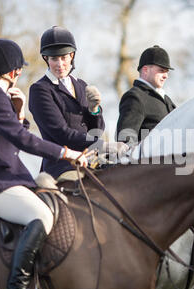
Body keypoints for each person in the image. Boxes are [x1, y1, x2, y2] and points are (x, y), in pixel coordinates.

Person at [0, 38, 88, 289]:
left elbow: (11, 134)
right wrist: (66, 153)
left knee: (51, 206)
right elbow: (22, 140)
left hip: (5, 178)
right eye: (20, 69)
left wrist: (20, 112)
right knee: (41, 216)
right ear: (13, 71)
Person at [29, 26, 126, 179]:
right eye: (54, 59)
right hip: (63, 165)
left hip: (92, 160)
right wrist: (102, 146)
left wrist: (94, 110)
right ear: (46, 59)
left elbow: (97, 131)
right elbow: (62, 134)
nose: (60, 64)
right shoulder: (40, 90)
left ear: (72, 56)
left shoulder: (81, 85)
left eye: (64, 58)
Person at [116, 45, 177, 147]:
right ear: (145, 70)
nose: (166, 76)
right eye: (161, 70)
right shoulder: (135, 97)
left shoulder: (167, 100)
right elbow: (126, 140)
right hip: (151, 161)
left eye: (167, 72)